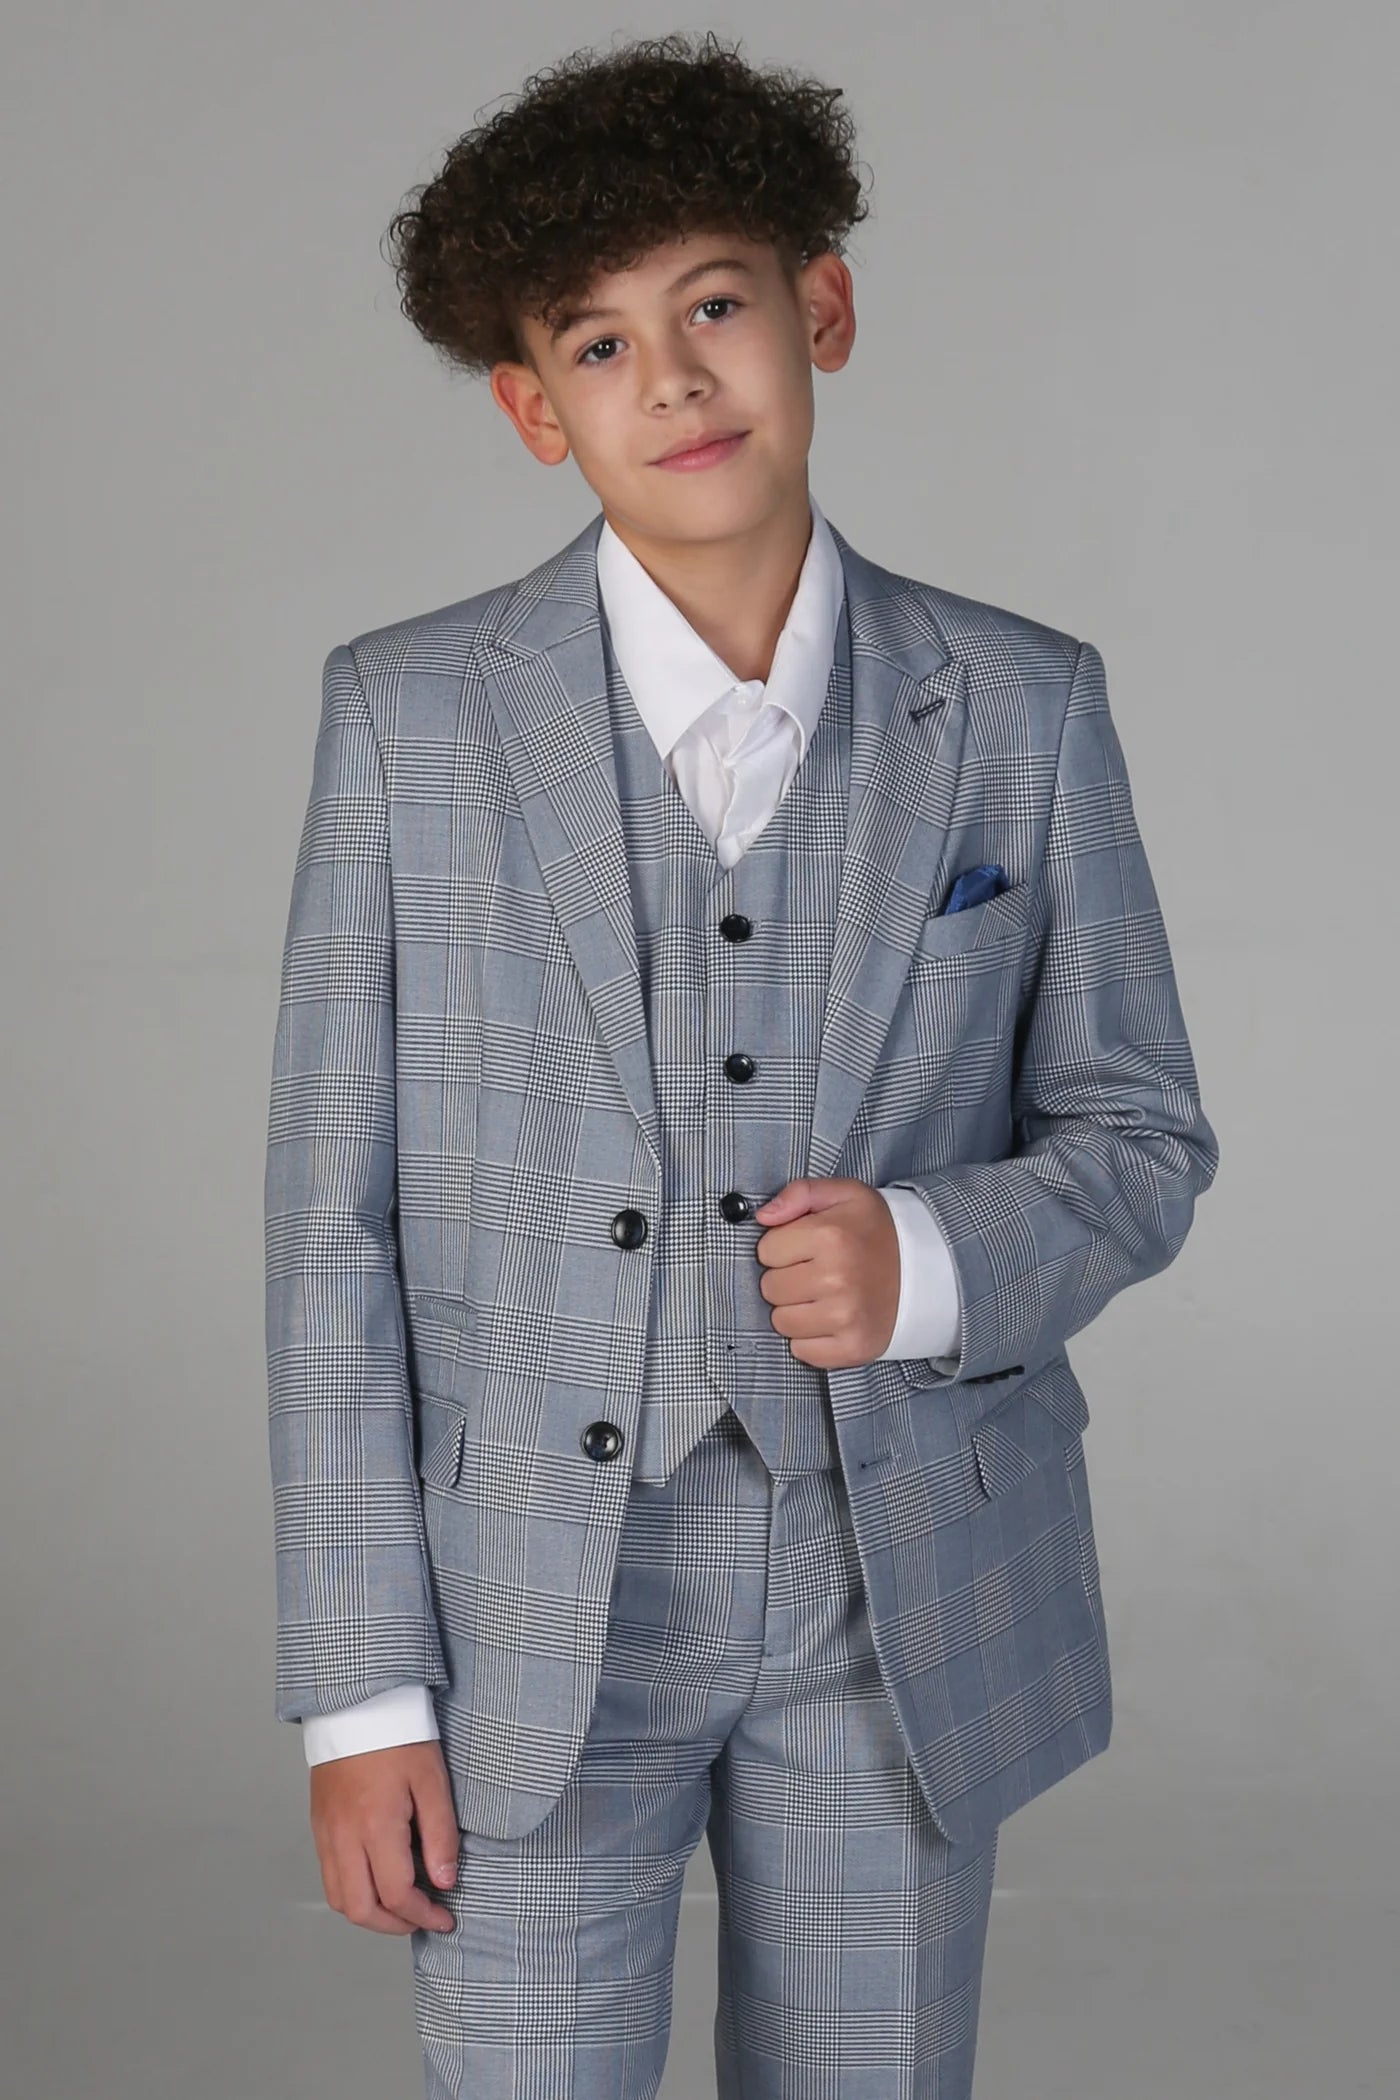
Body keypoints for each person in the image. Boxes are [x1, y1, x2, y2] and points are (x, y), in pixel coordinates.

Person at [263, 30, 1219, 2099]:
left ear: (823, 310)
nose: (676, 380)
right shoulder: (409, 721)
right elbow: (332, 1229)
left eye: (715, 307)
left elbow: (1142, 1130)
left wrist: (932, 1261)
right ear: (535, 409)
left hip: (895, 1601)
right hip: (528, 1609)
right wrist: (361, 1695)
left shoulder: (1023, 707)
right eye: (601, 345)